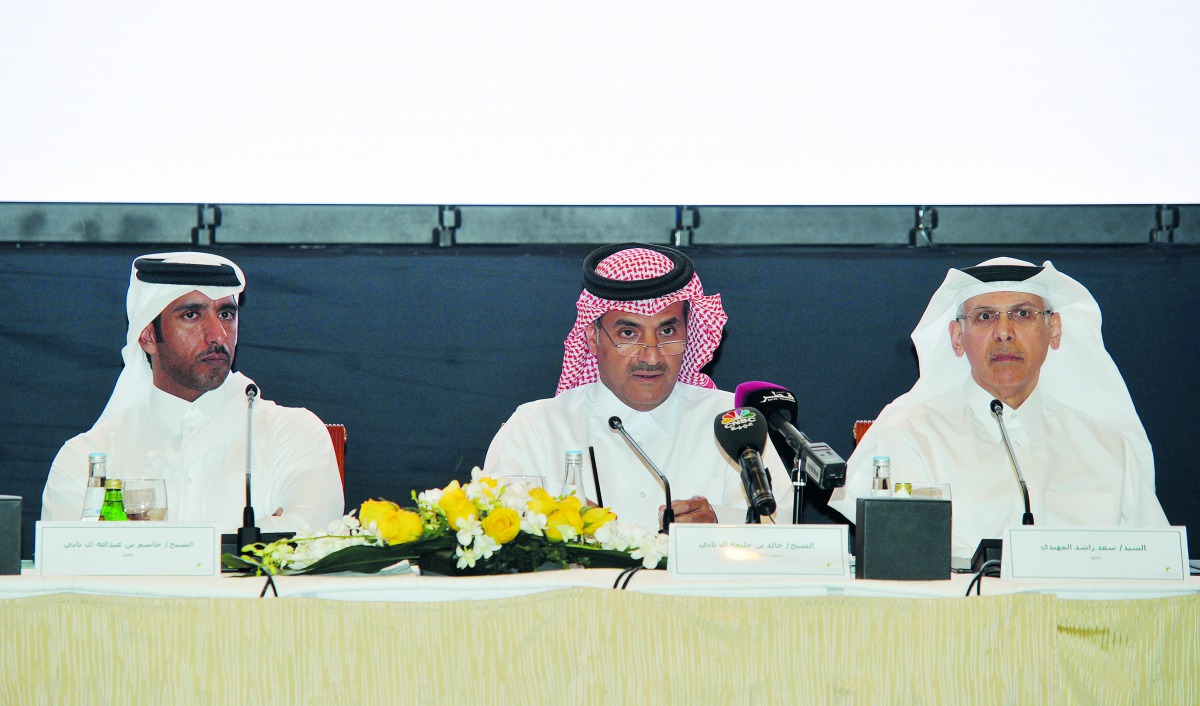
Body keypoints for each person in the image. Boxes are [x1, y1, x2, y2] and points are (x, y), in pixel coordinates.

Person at [828, 257, 1168, 559]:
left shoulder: (1108, 448)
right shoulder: (911, 437)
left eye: (1023, 314)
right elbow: (905, 563)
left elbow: (1158, 565)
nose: (1004, 332)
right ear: (957, 337)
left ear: (1054, 330)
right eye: (985, 316)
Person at [484, 243, 791, 527]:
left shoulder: (734, 422)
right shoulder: (536, 428)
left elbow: (785, 533)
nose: (652, 355)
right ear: (593, 338)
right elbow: (499, 530)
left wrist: (719, 524)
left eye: (667, 330)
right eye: (628, 334)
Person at [41, 252, 344, 533]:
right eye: (192, 316)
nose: (218, 335)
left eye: (226, 314)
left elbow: (311, 538)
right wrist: (255, 534)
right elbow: (71, 566)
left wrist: (140, 545)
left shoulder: (293, 433)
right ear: (147, 335)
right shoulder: (85, 461)